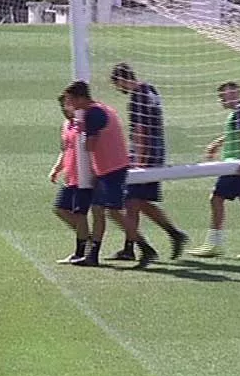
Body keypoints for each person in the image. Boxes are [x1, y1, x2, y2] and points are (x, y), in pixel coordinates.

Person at [63, 80, 158, 267]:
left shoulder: (94, 114)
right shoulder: (99, 109)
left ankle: (145, 247)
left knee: (113, 212)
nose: (68, 105)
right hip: (106, 168)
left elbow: (90, 145)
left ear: (80, 98)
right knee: (98, 210)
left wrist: (81, 133)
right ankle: (93, 255)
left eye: (70, 100)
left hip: (113, 169)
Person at [109, 63, 188, 260]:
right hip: (157, 152)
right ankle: (174, 234)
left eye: (118, 84)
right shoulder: (150, 90)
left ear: (121, 79)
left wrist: (140, 160)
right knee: (140, 202)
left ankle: (132, 248)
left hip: (146, 155)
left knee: (131, 201)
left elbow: (140, 129)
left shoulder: (137, 96)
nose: (119, 89)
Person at [189, 82, 240, 258]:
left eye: (223, 96)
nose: (221, 100)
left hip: (236, 166)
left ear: (234, 94)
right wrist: (217, 143)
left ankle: (214, 244)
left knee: (216, 199)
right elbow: (238, 132)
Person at [49, 94, 92, 263]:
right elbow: (65, 150)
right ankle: (88, 238)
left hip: (84, 177)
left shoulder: (83, 125)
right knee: (60, 209)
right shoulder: (66, 125)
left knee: (80, 214)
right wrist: (56, 168)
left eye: (66, 105)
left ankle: (80, 252)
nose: (64, 109)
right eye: (62, 106)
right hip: (71, 177)